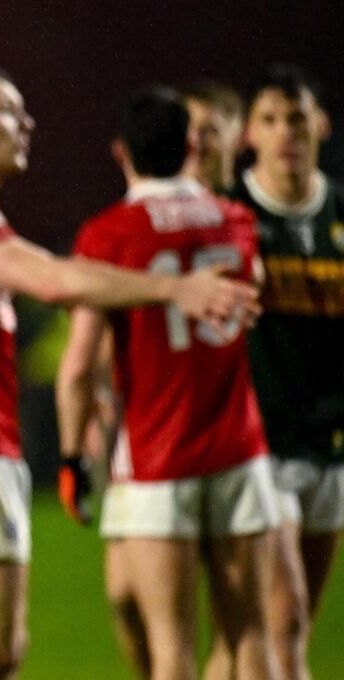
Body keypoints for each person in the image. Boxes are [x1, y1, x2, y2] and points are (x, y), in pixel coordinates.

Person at [0, 66, 260, 680]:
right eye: (8, 111)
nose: (26, 124)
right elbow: (52, 281)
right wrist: (174, 289)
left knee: (1, 652)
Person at [56, 88, 281, 680]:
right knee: (251, 634)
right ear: (191, 145)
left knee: (171, 649)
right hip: (238, 449)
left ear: (120, 152)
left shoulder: (108, 234)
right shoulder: (236, 221)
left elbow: (78, 365)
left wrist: (71, 457)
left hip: (158, 456)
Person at [228, 64, 344, 680]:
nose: (284, 134)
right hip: (256, 445)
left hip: (328, 445)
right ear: (248, 133)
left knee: (276, 629)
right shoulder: (232, 214)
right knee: (284, 615)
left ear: (321, 125)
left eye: (296, 119)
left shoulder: (339, 214)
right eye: (269, 120)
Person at [180, 80, 246, 195]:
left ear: (240, 139)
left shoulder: (246, 204)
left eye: (208, 130)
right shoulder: (156, 203)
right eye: (185, 127)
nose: (192, 140)